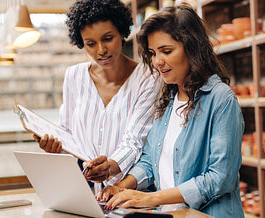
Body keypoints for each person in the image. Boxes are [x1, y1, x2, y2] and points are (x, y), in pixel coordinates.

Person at [97, 3, 245, 217]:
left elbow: (220, 178)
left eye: (166, 51)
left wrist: (151, 198)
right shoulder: (167, 99)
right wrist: (123, 186)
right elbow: (150, 160)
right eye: (153, 53)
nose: (157, 61)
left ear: (192, 47)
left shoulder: (221, 99)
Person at [34, 0, 160, 187]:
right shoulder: (74, 76)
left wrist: (111, 166)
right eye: (91, 43)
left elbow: (136, 140)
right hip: (84, 188)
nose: (101, 50)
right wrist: (55, 146)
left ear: (122, 32)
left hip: (130, 190)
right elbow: (68, 133)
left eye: (108, 38)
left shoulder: (148, 78)